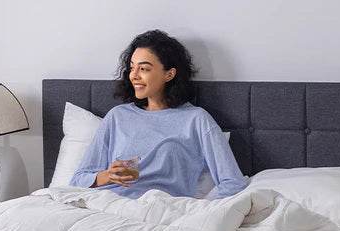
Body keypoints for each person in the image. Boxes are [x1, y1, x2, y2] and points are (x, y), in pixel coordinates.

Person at [69, 29, 248, 200]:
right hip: (108, 203)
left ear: (169, 74)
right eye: (132, 68)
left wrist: (199, 210)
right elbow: (78, 180)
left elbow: (233, 182)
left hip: (161, 209)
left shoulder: (196, 120)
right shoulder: (117, 116)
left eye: (144, 69)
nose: (134, 75)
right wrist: (107, 176)